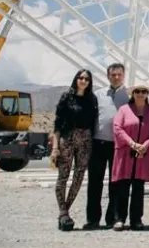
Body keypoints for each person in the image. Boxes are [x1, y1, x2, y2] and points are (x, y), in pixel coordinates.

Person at [50, 69, 98, 231]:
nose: (84, 81)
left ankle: (65, 211)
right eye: (81, 78)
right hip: (67, 139)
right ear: (76, 79)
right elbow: (57, 123)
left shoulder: (92, 99)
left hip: (85, 140)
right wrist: (55, 147)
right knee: (63, 176)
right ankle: (63, 213)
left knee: (79, 176)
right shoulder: (66, 97)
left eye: (87, 79)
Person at [111, 85, 149, 231]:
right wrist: (132, 143)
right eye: (137, 92)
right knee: (122, 186)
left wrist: (145, 145)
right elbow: (117, 128)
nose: (140, 94)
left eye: (144, 92)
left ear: (147, 94)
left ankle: (136, 219)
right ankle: (119, 218)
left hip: (143, 154)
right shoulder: (123, 110)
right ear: (132, 94)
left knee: (139, 188)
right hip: (126, 153)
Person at [85, 62, 128, 230]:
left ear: (123, 75)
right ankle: (93, 219)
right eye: (113, 74)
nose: (116, 77)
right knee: (95, 182)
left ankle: (113, 218)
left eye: (119, 74)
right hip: (98, 143)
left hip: (119, 146)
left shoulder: (129, 96)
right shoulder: (98, 95)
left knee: (116, 183)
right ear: (107, 76)